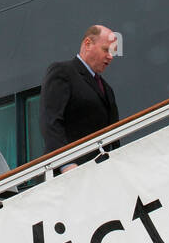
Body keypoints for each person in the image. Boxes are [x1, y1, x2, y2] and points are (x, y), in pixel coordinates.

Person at [40, 25, 120, 167]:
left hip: (103, 172)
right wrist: (66, 164)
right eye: (106, 50)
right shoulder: (62, 72)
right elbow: (51, 121)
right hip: (73, 174)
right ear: (88, 44)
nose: (110, 56)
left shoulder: (107, 89)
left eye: (113, 52)